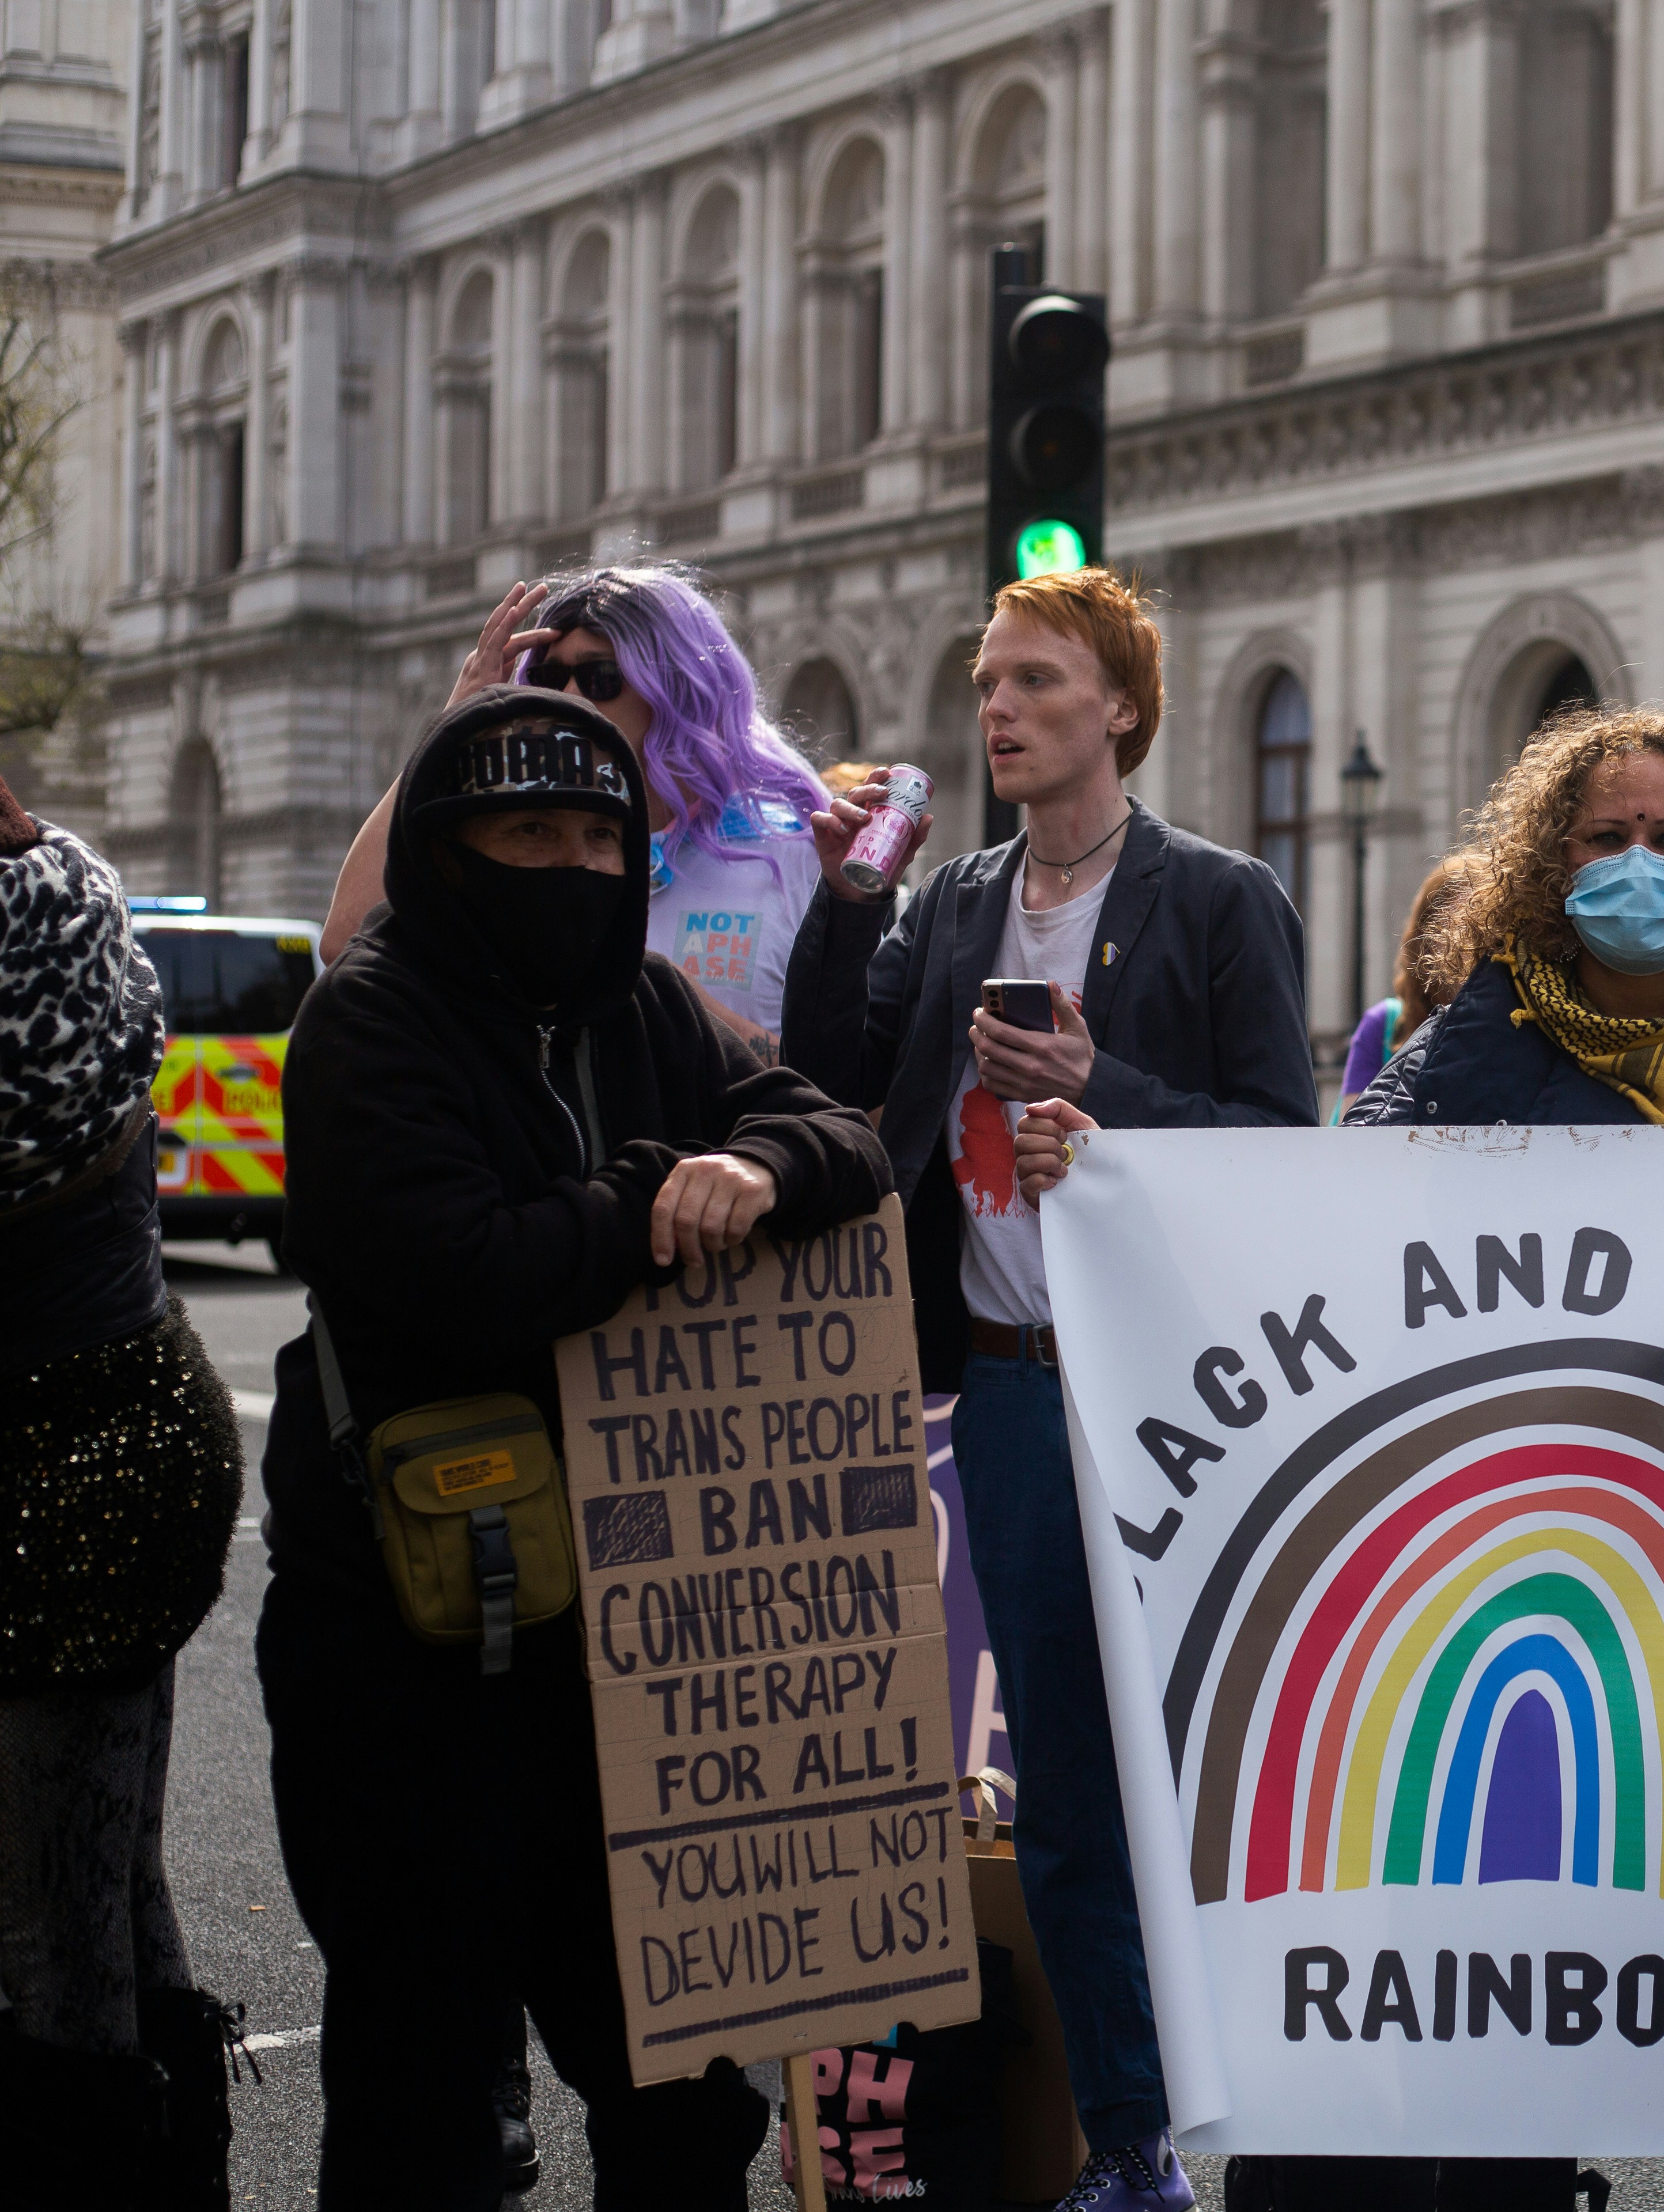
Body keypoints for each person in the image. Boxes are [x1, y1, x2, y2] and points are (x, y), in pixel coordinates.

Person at [1018, 702, 1664, 2212]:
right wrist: (1108, 1156)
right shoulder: (1482, 1041)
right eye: (1605, 840)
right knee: (1518, 1987)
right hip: (1519, 1569)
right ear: (1550, 863)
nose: (1639, 864)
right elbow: (1313, 1214)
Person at [255, 684, 894, 2206]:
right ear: (446, 847)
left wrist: (759, 1161)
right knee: (419, 2101)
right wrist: (662, 1192)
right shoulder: (368, 1023)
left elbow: (845, 1142)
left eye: (599, 836)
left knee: (681, 2104)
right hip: (408, 1665)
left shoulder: (646, 1010)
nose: (569, 867)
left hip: (628, 1666)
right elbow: (472, 1277)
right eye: (526, 831)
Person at [783, 565, 1315, 2211]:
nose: (998, 708)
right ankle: (1136, 2144)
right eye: (988, 681)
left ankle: (1271, 2115)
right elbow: (839, 1077)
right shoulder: (952, 903)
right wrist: (847, 899)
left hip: (1181, 1404)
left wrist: (1105, 1085)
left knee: (1216, 1775)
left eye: (1036, 682)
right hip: (1011, 1394)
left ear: (1123, 710)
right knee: (1071, 1798)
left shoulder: (1219, 900)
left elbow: (1283, 1153)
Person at [0, 774, 248, 2207]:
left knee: (51, 1941)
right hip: (141, 1425)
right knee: (113, 1897)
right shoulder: (80, 892)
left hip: (64, 1468)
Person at [321, 566, 831, 1058]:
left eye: (600, 677)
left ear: (675, 687)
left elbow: (849, 1095)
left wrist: (647, 988)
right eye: (547, 677)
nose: (566, 697)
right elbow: (348, 938)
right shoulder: (522, 851)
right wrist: (457, 721)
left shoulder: (792, 853)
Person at [1336, 851, 1477, 1115]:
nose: (1466, 946)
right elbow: (1352, 1136)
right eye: (1457, 929)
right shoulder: (1384, 1025)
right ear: (1425, 939)